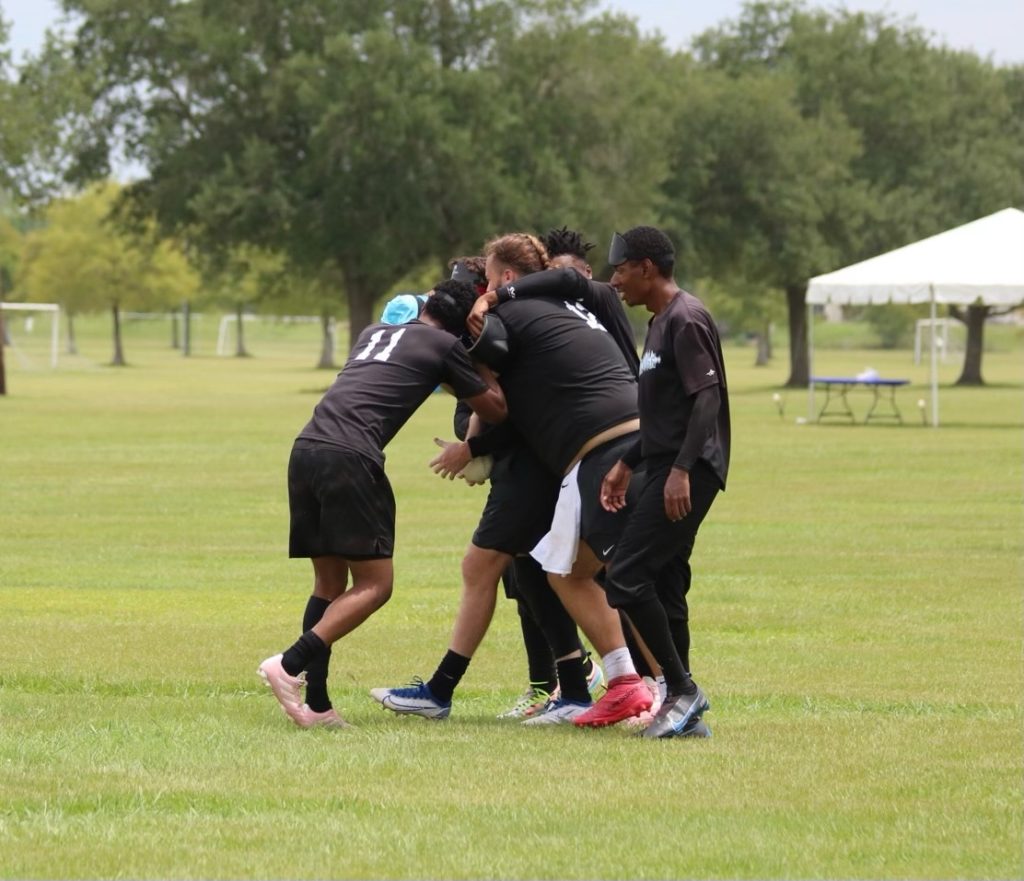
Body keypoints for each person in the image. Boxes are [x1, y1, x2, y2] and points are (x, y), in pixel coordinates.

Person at [373, 232, 652, 726]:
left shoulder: (506, 318)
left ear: (502, 278)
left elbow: (500, 406)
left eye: (482, 281)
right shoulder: (571, 308)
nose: (476, 293)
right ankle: (614, 685)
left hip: (594, 451)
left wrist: (472, 447)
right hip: (616, 441)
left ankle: (664, 689)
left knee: (619, 576)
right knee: (562, 571)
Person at [257, 279, 507, 728]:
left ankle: (316, 706)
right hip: (352, 457)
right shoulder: (445, 345)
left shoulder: (372, 332)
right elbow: (495, 409)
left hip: (307, 448)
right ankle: (288, 664)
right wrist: (483, 356)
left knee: (328, 584)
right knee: (376, 585)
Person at [600, 225, 730, 739]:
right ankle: (683, 711)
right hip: (661, 464)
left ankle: (680, 689)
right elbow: (663, 415)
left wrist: (680, 471)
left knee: (625, 574)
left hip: (688, 470)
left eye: (622, 269)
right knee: (666, 582)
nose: (615, 281)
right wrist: (628, 461)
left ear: (647, 267)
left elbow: (707, 399)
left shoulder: (686, 318)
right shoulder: (657, 324)